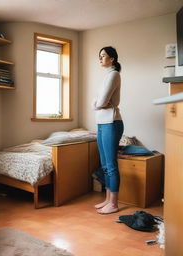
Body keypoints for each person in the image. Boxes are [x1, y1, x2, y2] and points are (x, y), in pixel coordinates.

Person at [92, 46, 124, 214]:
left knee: (111, 165)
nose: (100, 59)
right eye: (100, 56)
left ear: (112, 59)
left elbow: (102, 102)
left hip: (111, 122)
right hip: (102, 123)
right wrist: (98, 103)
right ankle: (107, 199)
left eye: (103, 56)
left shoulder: (114, 75)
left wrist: (96, 103)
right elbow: (100, 102)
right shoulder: (107, 76)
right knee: (104, 164)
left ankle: (114, 203)